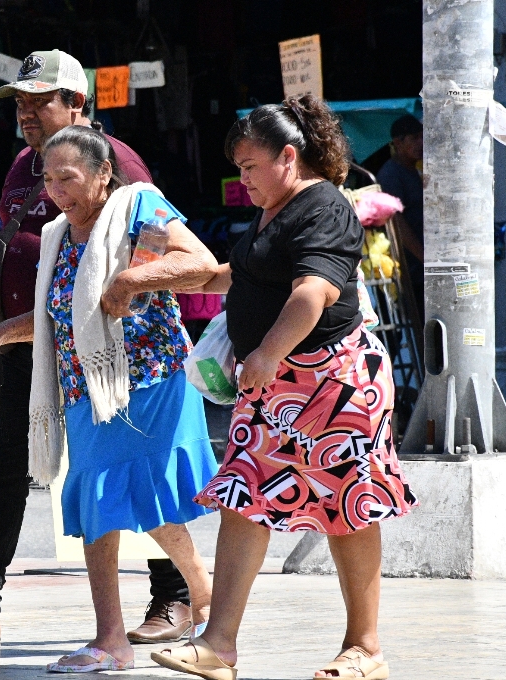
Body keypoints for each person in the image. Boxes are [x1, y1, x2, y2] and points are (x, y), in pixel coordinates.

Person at [0, 50, 197, 652]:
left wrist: (126, 290)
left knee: (131, 471)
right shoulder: (21, 165)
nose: (28, 114)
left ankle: (177, 596)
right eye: (21, 103)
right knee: (6, 472)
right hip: (29, 343)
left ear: (77, 104)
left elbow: (165, 251)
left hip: (112, 356)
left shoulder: (118, 165)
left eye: (42, 102)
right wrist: (6, 326)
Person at [151, 96, 417, 680]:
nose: (241, 179)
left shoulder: (322, 207)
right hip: (274, 383)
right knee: (243, 498)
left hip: (335, 380)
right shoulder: (274, 210)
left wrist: (268, 352)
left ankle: (365, 648)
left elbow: (311, 292)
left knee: (349, 505)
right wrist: (159, 276)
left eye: (249, 166)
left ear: (288, 157)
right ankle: (218, 644)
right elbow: (241, 273)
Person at [0, 125, 219, 672]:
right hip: (86, 390)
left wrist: (129, 282)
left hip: (152, 381)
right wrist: (0, 332)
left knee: (148, 500)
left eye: (69, 178)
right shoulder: (61, 234)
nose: (57, 191)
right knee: (97, 506)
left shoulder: (139, 209)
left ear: (104, 172)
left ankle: (198, 603)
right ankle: (116, 637)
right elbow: (56, 312)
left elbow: (200, 264)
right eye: (48, 179)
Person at [376, 114, 425, 320]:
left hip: (422, 267)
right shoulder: (391, 175)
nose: (421, 143)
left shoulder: (417, 170)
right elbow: (396, 222)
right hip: (408, 268)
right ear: (398, 142)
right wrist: (424, 257)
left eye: (422, 137)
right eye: (414, 138)